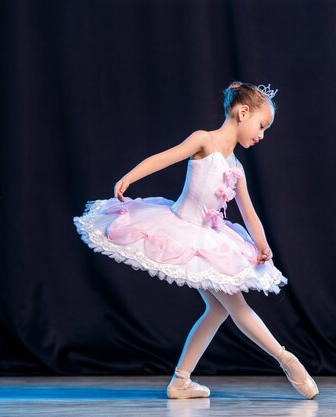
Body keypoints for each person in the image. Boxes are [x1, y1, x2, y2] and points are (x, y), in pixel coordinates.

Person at [72, 81, 319, 400]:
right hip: (182, 230)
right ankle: (287, 360)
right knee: (235, 306)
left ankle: (180, 381)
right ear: (243, 113)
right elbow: (166, 157)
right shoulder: (206, 140)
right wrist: (131, 176)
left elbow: (249, 213)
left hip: (211, 239)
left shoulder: (236, 166)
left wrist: (262, 245)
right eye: (261, 125)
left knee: (217, 310)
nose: (261, 135)